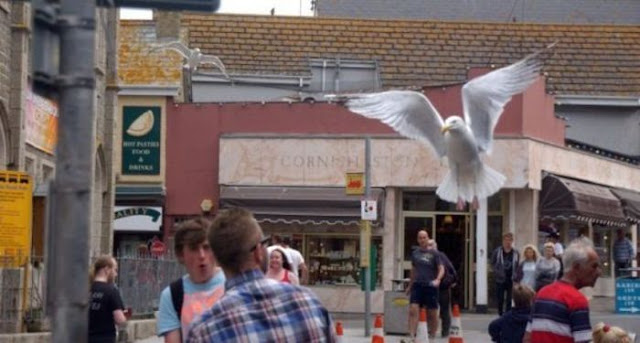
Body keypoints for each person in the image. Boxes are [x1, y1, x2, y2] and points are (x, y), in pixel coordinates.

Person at [187, 208, 336, 342]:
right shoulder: (309, 303)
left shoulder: (204, 331)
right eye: (265, 243)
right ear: (258, 252)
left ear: (217, 260)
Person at [157, 217, 226, 343]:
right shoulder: (173, 295)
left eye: (206, 247)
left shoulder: (233, 283)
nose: (202, 255)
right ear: (181, 255)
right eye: (194, 249)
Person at [523, 237, 602, 343]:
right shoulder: (577, 300)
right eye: (594, 266)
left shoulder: (542, 293)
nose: (598, 272)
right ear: (577, 267)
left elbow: (527, 337)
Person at [406, 230, 444, 340]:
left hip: (430, 285)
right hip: (418, 284)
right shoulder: (415, 253)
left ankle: (432, 335)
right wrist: (410, 285)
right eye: (420, 238)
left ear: (428, 239)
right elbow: (413, 270)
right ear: (418, 240)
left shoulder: (435, 254)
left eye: (424, 237)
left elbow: (441, 268)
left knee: (432, 312)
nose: (422, 240)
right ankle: (412, 335)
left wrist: (438, 279)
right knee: (413, 309)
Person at [89, 255, 127, 343]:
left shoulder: (87, 289)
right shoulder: (111, 291)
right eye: (115, 270)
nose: (116, 274)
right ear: (106, 269)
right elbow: (120, 320)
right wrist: (125, 319)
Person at [427, 239, 457, 338]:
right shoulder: (426, 257)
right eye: (429, 245)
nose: (430, 247)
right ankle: (431, 330)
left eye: (431, 245)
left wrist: (453, 280)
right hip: (431, 287)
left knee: (444, 310)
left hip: (442, 286)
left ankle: (444, 331)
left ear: (436, 246)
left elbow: (450, 268)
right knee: (431, 309)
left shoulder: (441, 256)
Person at [490, 232, 520, 315]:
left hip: (511, 278)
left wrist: (517, 276)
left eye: (510, 240)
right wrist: (497, 272)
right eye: (506, 240)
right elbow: (492, 263)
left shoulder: (515, 252)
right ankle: (500, 314)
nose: (508, 242)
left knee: (509, 299)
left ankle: (507, 315)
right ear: (503, 241)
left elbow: (517, 265)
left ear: (512, 241)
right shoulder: (497, 251)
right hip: (500, 279)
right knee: (500, 298)